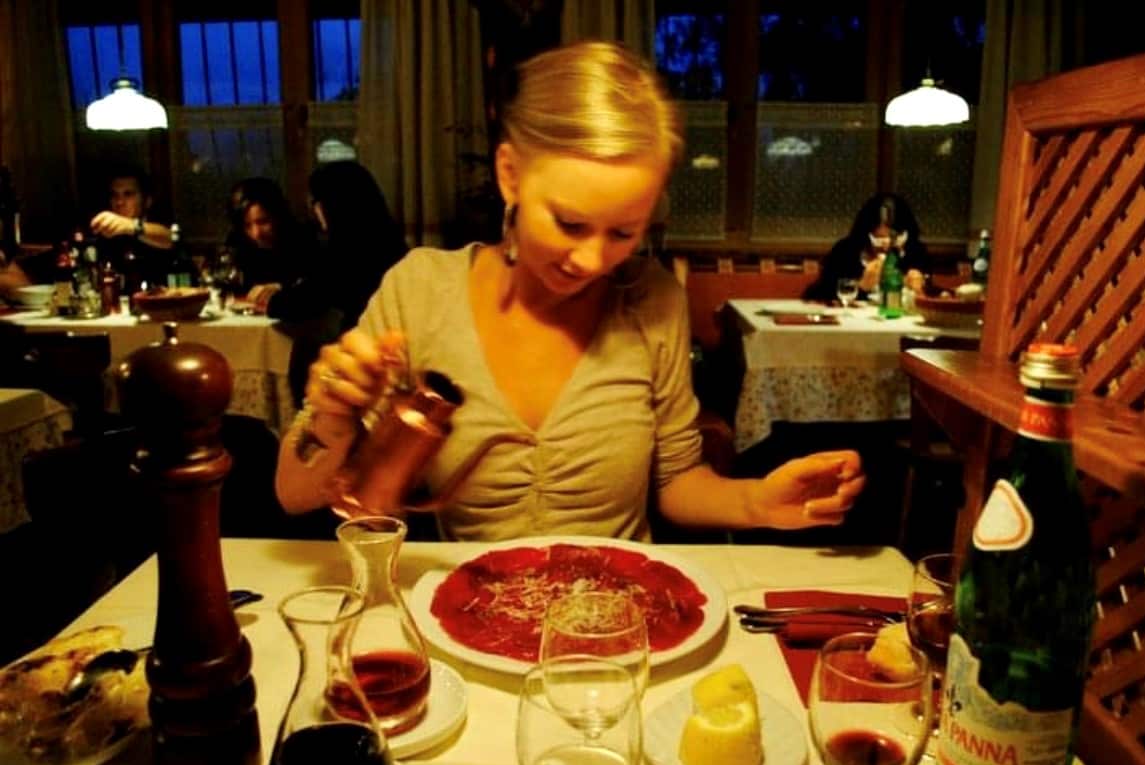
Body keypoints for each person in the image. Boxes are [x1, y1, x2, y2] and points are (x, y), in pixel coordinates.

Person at [274, 41, 865, 542]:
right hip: (467, 622)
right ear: (511, 175)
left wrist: (758, 502)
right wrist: (333, 411)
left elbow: (678, 482)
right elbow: (294, 493)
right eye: (571, 223)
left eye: (623, 233)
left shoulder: (652, 301)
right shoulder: (421, 291)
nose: (591, 260)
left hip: (618, 634)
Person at [268, 160, 410, 406]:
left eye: (316, 202)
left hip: (368, 362)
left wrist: (271, 299)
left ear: (329, 205)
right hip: (397, 355)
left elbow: (305, 300)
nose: (315, 210)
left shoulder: (348, 247)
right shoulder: (389, 239)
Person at [803, 192, 929, 303]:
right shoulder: (846, 251)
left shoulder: (916, 253)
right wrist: (860, 286)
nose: (886, 246)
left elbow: (937, 295)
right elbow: (815, 295)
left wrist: (921, 290)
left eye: (896, 240)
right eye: (879, 240)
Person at [223, 177, 310, 303]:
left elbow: (318, 285)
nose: (256, 233)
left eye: (263, 222)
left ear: (279, 215)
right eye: (247, 225)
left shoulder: (303, 239)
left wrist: (283, 288)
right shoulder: (238, 242)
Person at [89, 164, 173, 288]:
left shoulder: (158, 222)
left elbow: (170, 239)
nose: (119, 202)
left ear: (147, 201)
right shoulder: (106, 233)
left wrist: (131, 226)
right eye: (114, 195)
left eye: (128, 194)